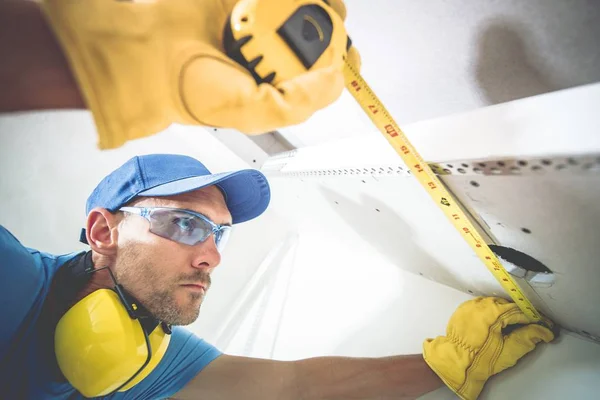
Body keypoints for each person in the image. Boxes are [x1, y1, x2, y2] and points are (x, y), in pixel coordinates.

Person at [0, 1, 556, 399]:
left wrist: (448, 362)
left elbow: (295, 385)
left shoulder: (148, 358)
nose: (212, 256)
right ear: (103, 233)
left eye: (219, 234)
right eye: (187, 225)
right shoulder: (17, 283)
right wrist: (124, 62)